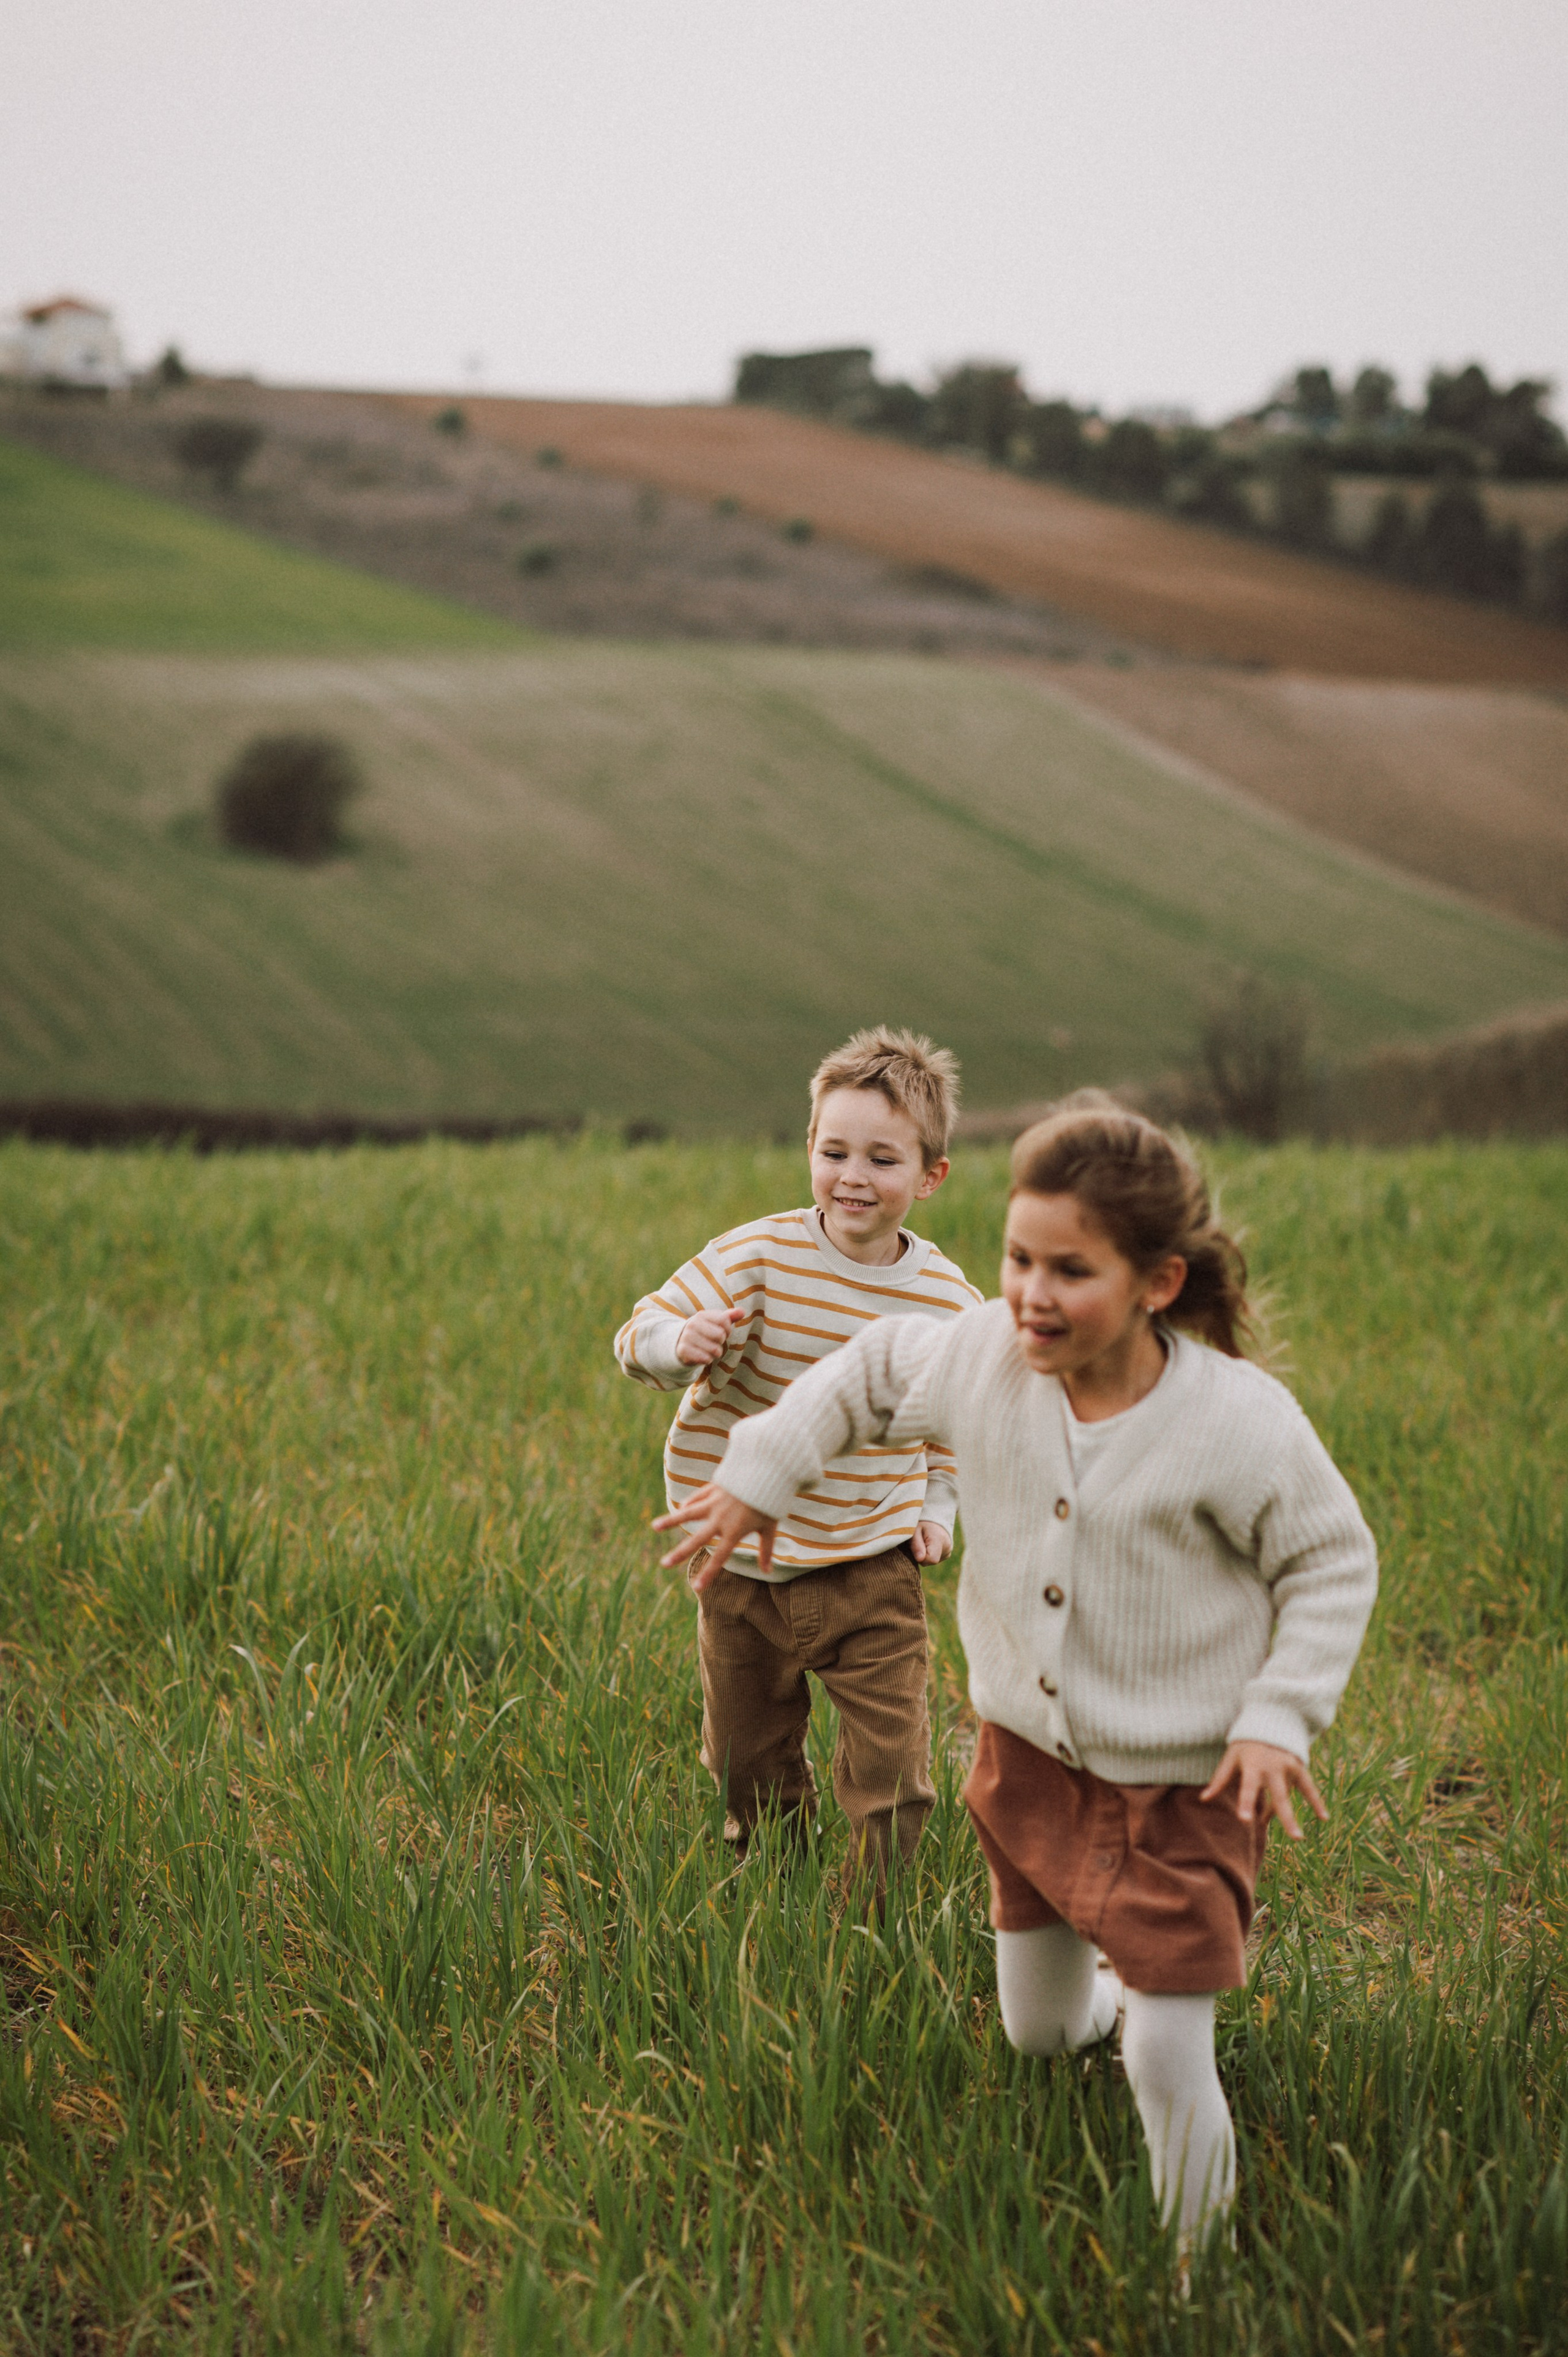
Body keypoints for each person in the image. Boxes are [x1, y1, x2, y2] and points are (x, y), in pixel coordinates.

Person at [657, 1096, 1378, 2253]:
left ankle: (1196, 2273)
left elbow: (1332, 1560)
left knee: (1162, 2053)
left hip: (1184, 1784)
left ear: (1157, 1283)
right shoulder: (984, 1353)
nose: (1032, 1294)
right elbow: (865, 1373)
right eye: (1019, 1259)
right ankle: (1113, 1989)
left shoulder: (1235, 1420)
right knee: (1040, 2032)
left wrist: (1279, 1717)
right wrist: (759, 1473)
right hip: (1030, 1767)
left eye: (1071, 1271)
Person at [616, 1027, 982, 1887]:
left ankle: (868, 1923)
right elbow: (638, 1333)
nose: (853, 1176)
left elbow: (958, 1425)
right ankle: (775, 1886)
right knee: (745, 1761)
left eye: (883, 1160)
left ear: (931, 1175)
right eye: (834, 1152)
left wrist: (938, 1508)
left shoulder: (949, 1303)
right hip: (742, 1560)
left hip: (872, 1561)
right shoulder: (757, 1256)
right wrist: (680, 1342)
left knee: (894, 1771)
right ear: (810, 1147)